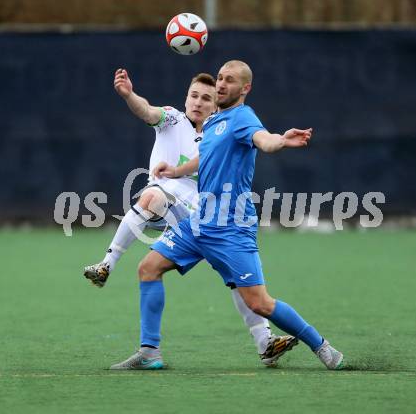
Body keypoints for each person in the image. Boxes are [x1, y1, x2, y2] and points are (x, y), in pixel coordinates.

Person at [110, 60, 344, 371]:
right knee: (148, 268)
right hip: (199, 222)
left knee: (259, 302)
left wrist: (281, 141)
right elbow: (205, 156)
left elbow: (264, 140)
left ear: (244, 88)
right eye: (219, 78)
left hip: (231, 227)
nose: (221, 84)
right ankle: (150, 352)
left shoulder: (243, 118)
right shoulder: (212, 122)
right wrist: (177, 170)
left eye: (229, 80)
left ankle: (323, 347)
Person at [84, 68, 297, 368]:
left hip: (201, 216)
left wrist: (277, 141)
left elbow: (259, 140)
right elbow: (146, 111)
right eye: (194, 96)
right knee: (152, 197)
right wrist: (129, 94)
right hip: (162, 206)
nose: (198, 102)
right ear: (186, 99)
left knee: (233, 274)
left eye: (206, 98)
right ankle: (107, 264)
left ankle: (265, 341)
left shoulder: (218, 130)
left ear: (215, 103)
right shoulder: (172, 119)